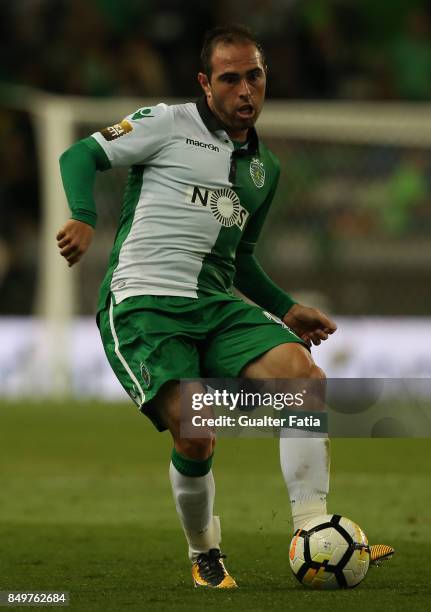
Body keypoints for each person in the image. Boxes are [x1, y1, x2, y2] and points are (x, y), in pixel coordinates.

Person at [57, 24, 393, 589]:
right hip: (143, 304)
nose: (245, 91)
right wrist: (84, 218)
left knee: (300, 378)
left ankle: (312, 528)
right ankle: (204, 553)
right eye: (230, 78)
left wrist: (286, 308)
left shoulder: (265, 170)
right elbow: (79, 154)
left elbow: (241, 259)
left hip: (215, 304)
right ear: (205, 84)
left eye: (254, 77)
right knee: (196, 431)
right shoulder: (165, 122)